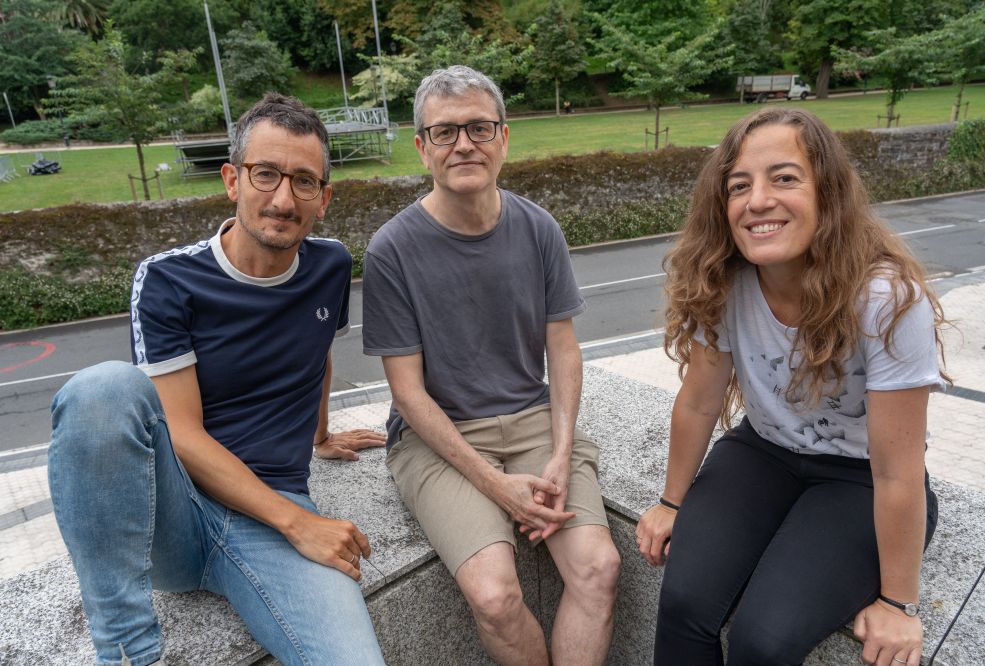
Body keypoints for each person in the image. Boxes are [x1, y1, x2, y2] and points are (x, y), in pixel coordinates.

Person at [48, 93, 387, 666]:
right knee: (102, 389)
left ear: (324, 199)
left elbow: (317, 352)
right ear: (233, 179)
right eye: (266, 174)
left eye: (304, 181)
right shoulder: (168, 280)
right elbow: (180, 431)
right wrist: (301, 523)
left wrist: (321, 437)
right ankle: (127, 652)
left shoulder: (330, 265)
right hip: (178, 509)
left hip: (274, 509)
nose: (283, 198)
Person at [636, 107, 946, 666]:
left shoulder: (885, 300)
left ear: (827, 192)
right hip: (764, 454)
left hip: (861, 480)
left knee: (764, 639)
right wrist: (670, 501)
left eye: (784, 178)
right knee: (682, 601)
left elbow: (896, 469)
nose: (757, 200)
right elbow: (701, 399)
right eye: (739, 186)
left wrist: (900, 601)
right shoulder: (723, 278)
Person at [362, 65, 620, 666]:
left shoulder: (538, 229)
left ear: (504, 138)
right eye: (445, 132)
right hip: (438, 439)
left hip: (532, 422)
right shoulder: (392, 250)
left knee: (601, 569)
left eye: (479, 128)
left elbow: (563, 348)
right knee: (496, 594)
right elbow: (408, 395)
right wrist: (496, 485)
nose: (464, 145)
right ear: (422, 148)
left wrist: (559, 454)